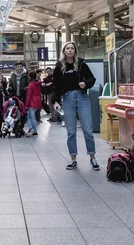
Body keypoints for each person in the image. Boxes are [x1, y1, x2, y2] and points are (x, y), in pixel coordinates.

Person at [52, 41, 99, 171]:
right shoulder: (59, 66)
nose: (70, 50)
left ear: (75, 50)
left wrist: (85, 83)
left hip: (82, 98)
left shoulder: (82, 64)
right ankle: (73, 159)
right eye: (68, 48)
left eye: (72, 48)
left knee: (88, 130)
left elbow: (92, 79)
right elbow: (56, 86)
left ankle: (92, 157)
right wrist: (55, 101)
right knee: (71, 132)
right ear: (64, 51)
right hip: (67, 99)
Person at [24, 70, 42, 137]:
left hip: (32, 102)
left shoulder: (30, 85)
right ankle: (32, 129)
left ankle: (33, 130)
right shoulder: (38, 83)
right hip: (38, 100)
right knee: (31, 116)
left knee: (31, 117)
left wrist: (26, 105)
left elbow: (28, 96)